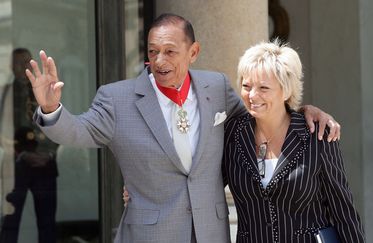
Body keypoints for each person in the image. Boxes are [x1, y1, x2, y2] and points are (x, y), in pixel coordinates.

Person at [26, 14, 340, 243]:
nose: (158, 61)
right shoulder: (116, 98)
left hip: (211, 233)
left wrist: (301, 111)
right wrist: (52, 108)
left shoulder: (215, 86)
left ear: (193, 52)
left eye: (170, 52)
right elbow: (78, 131)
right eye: (152, 52)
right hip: (151, 234)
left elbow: (256, 115)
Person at [221, 40, 364, 242]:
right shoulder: (232, 135)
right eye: (246, 86)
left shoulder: (317, 136)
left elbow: (343, 212)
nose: (252, 95)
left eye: (263, 87)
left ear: (286, 91)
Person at [0, 48, 58, 243]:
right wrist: (20, 153)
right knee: (10, 221)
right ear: (10, 66)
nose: (22, 67)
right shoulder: (5, 92)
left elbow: (58, 123)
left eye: (26, 62)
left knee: (47, 223)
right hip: (17, 165)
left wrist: (48, 153)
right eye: (17, 63)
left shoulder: (46, 89)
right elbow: (2, 130)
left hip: (45, 164)